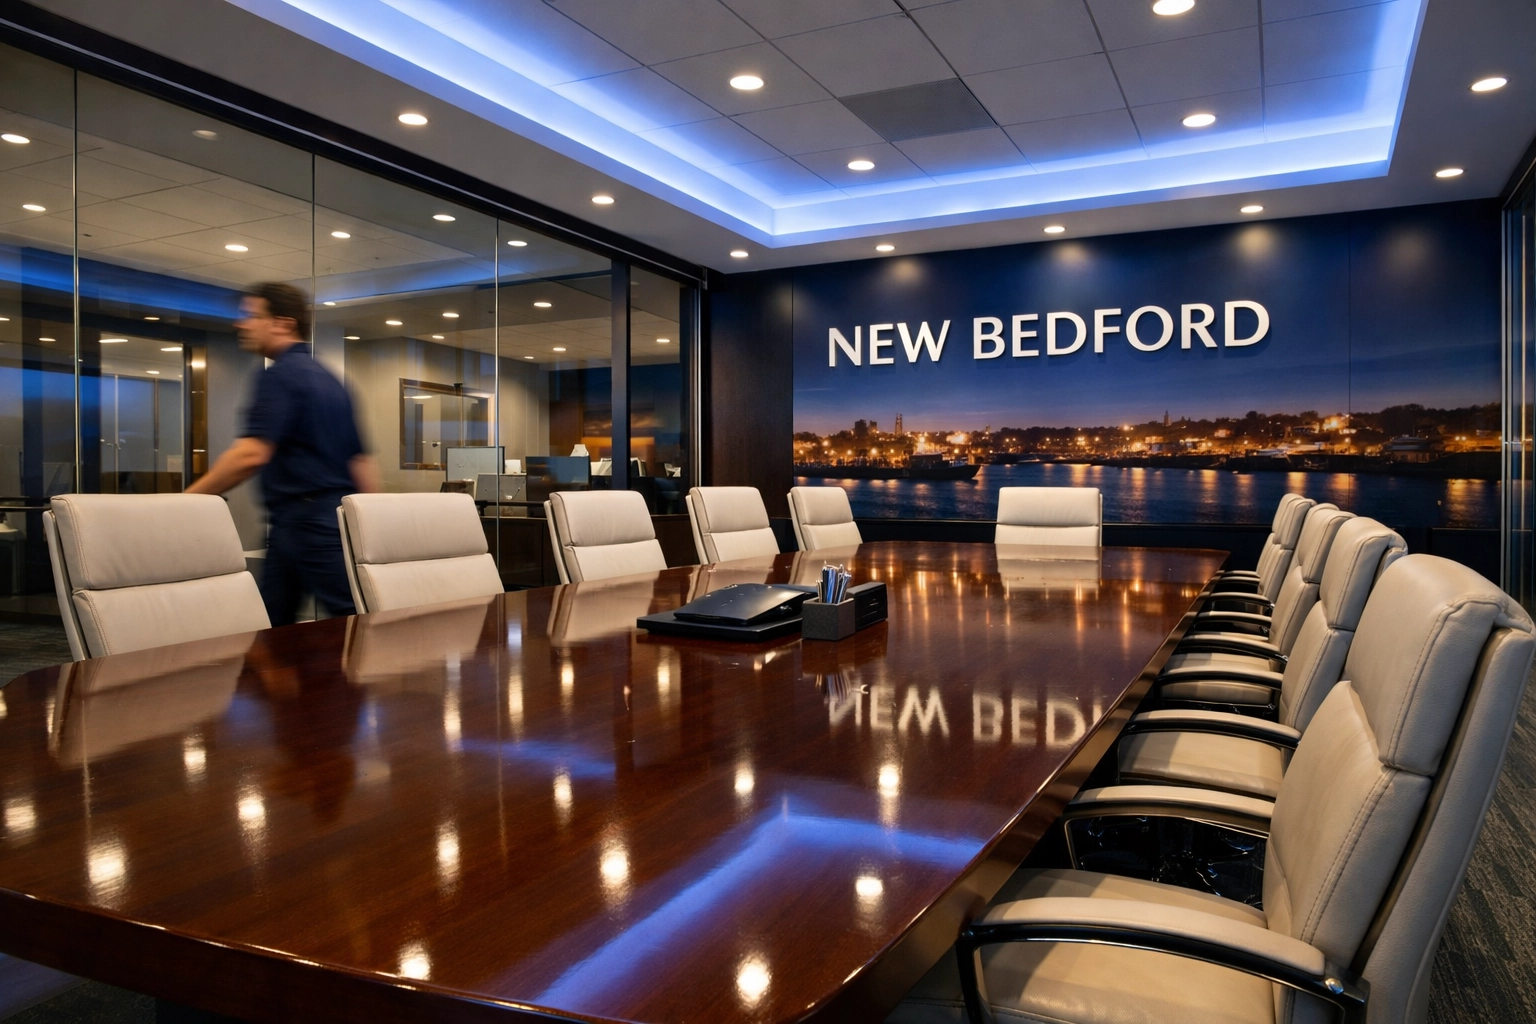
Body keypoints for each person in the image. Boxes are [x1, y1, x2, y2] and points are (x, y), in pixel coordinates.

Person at [188, 282, 379, 624]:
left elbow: (250, 454)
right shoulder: (331, 380)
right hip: (325, 519)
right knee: (277, 625)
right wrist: (370, 524)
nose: (241, 324)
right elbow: (360, 463)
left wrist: (184, 501)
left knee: (360, 624)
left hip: (306, 523)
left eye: (252, 316)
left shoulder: (280, 377)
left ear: (283, 323)